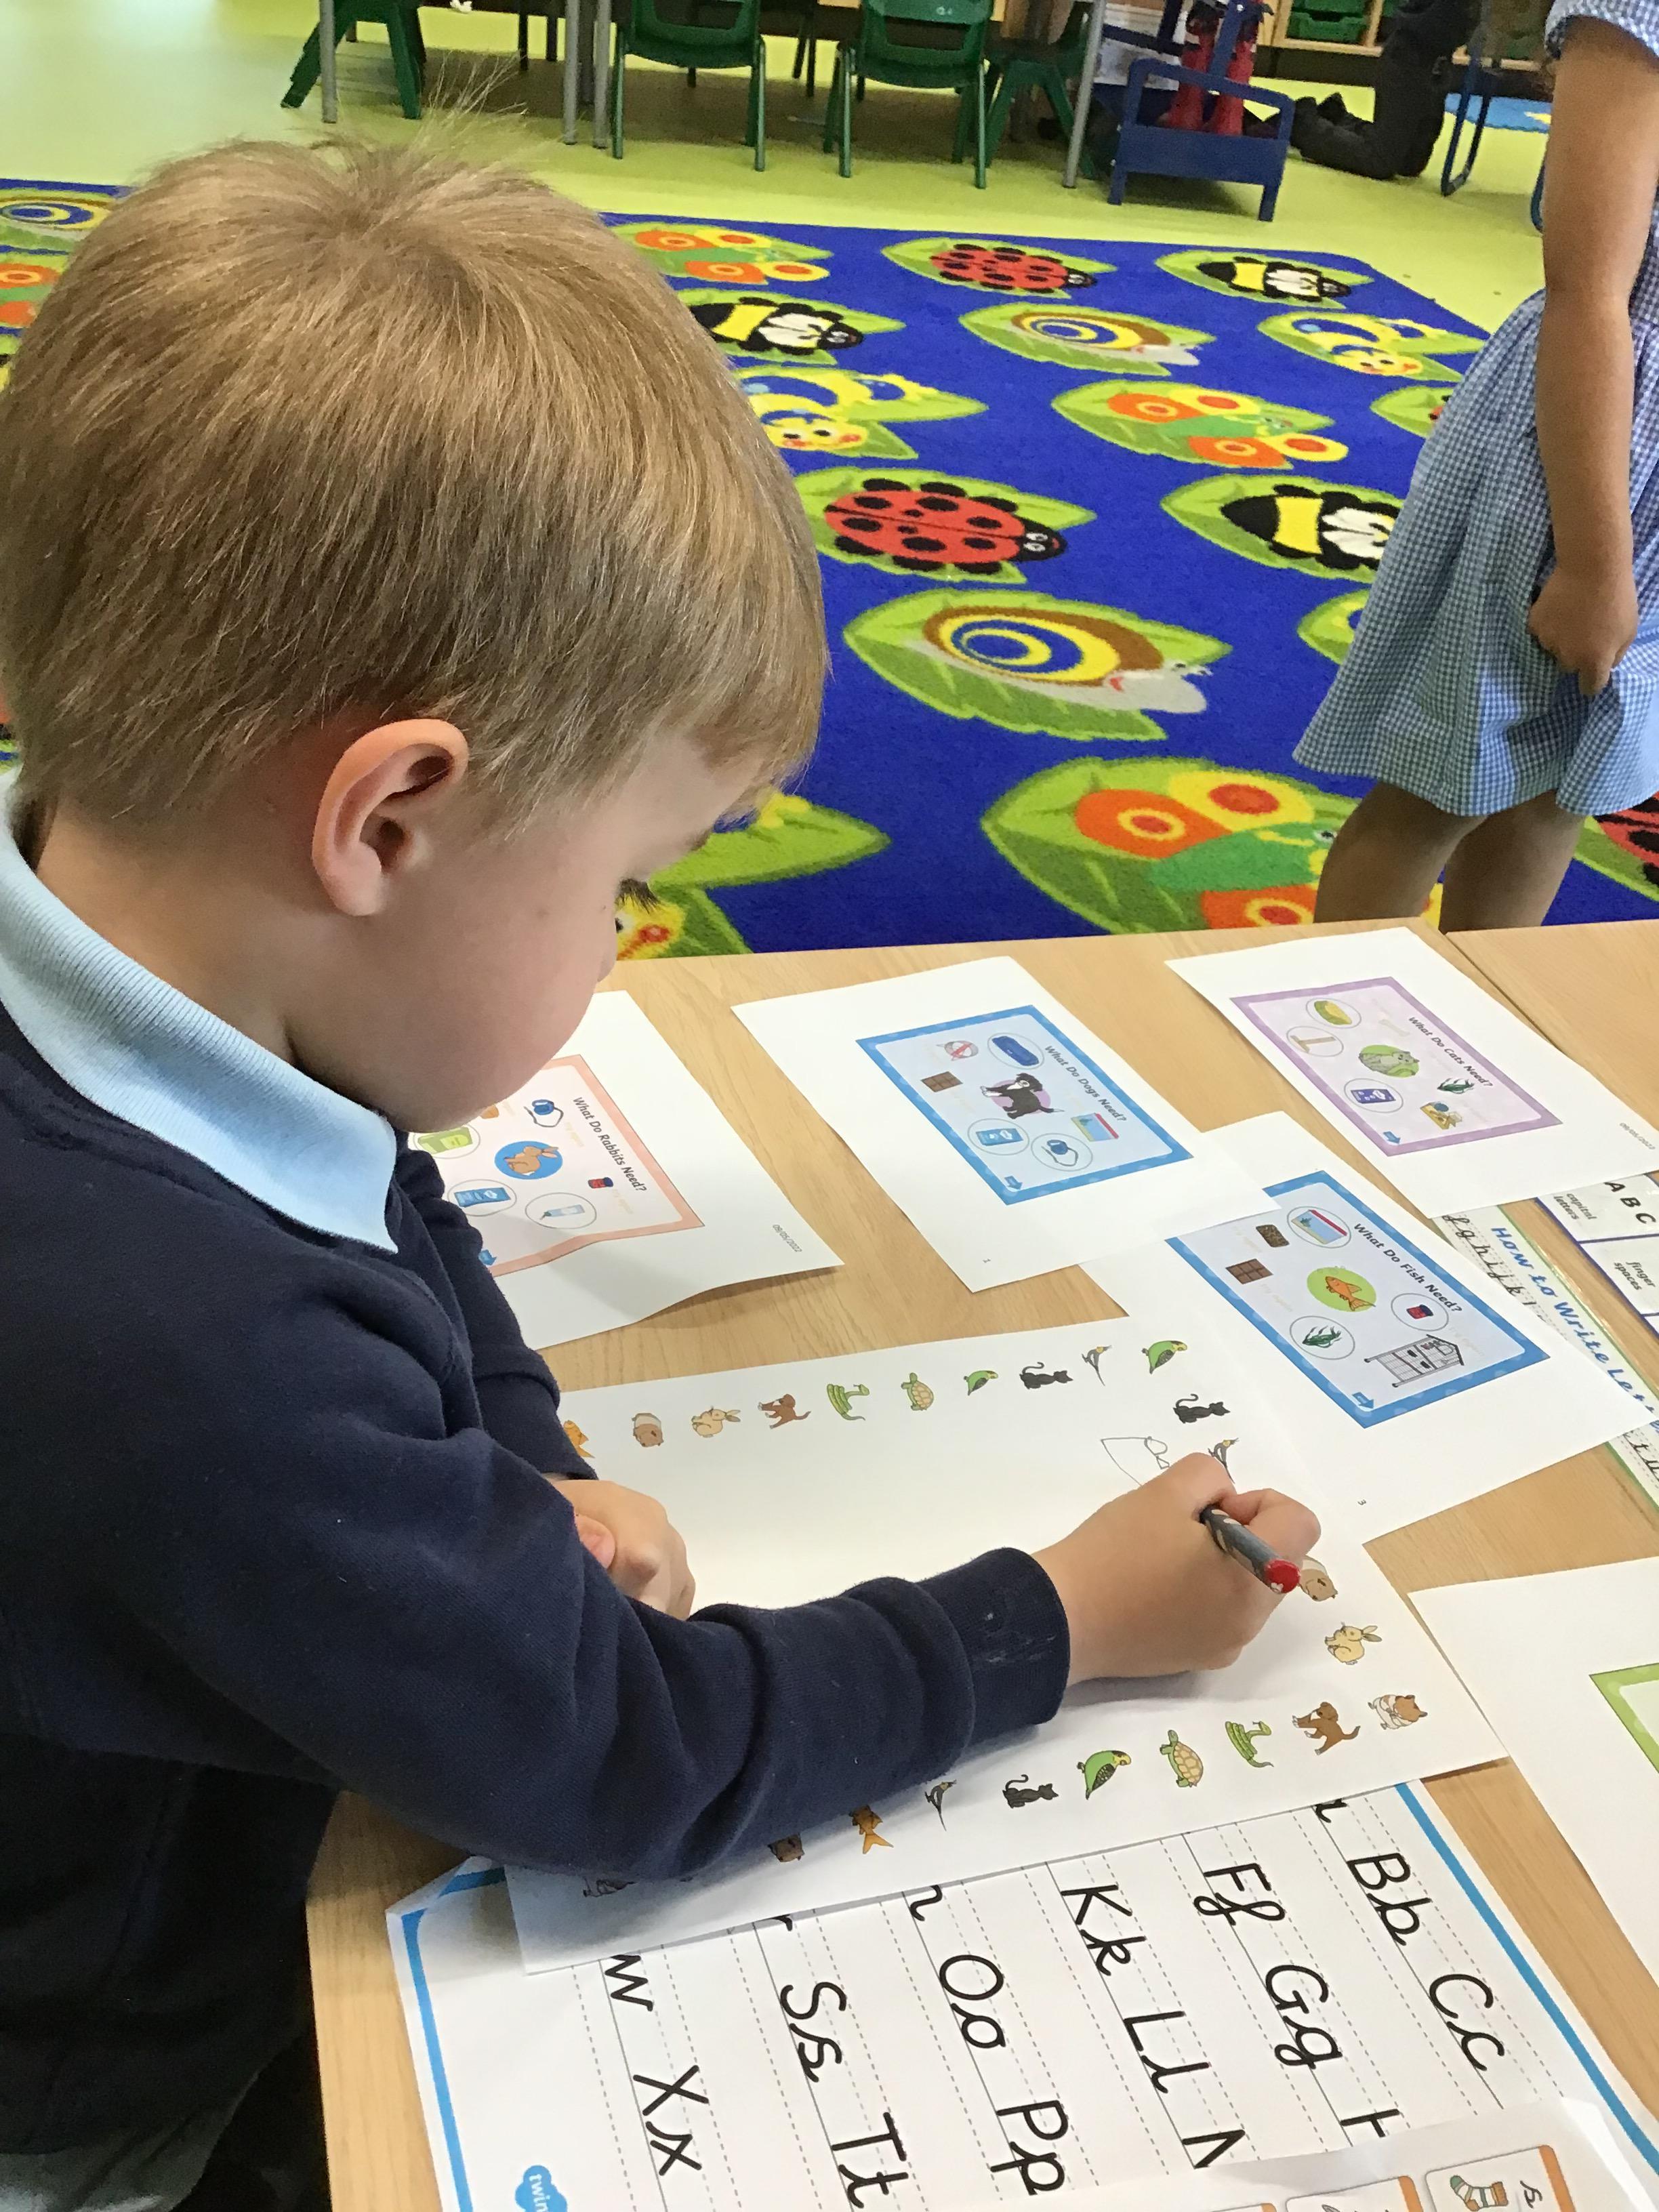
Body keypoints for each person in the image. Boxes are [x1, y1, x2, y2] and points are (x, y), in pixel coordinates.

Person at [0, 143, 1319, 2211]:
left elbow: (376, 1181)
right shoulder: (191, 1354)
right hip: (98, 2066)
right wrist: (1065, 1617)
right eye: (629, 880)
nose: (625, 943)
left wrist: (522, 1459)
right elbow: (619, 1756)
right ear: (388, 818)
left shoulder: (123, 934)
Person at [1300, 0, 1659, 928]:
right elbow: (1588, 292)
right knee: (1447, 774)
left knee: (1565, 778)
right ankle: (1332, 999)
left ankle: (1476, 998)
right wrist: (1593, 563)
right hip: (1589, 452)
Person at [1289, 0, 1477, 180]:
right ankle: (1301, 122)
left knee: (1410, 164)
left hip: (1436, 63)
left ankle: (1336, 116)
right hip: (1408, 59)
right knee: (1380, 162)